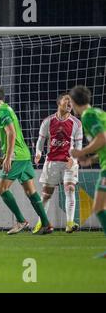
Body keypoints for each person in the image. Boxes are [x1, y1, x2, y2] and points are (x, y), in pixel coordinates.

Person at [0, 84, 53, 235]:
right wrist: (4, 156)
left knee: (1, 189)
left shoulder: (1, 112)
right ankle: (47, 224)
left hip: (16, 156)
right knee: (30, 191)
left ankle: (21, 221)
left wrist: (8, 157)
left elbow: (11, 133)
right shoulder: (7, 108)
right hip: (23, 154)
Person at [33, 93, 83, 233]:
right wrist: (38, 153)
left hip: (68, 162)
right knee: (46, 195)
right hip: (51, 162)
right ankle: (41, 222)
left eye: (71, 102)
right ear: (59, 103)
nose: (70, 104)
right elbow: (40, 141)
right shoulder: (48, 121)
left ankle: (69, 223)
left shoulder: (76, 123)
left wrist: (74, 160)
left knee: (70, 189)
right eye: (67, 101)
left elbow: (78, 145)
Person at [68, 85, 106, 258]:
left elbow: (102, 138)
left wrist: (81, 152)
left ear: (74, 102)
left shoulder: (88, 116)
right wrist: (92, 160)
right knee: (99, 207)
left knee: (98, 207)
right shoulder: (98, 112)